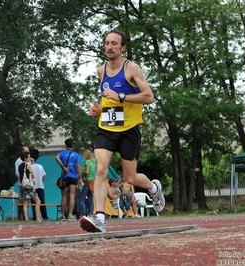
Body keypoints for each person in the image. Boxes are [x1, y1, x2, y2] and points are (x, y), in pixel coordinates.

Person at [80, 29, 165, 233]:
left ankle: (153, 188)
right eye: (107, 43)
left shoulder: (131, 69)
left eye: (114, 44)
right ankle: (99, 218)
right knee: (101, 169)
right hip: (106, 129)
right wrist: (99, 110)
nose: (109, 47)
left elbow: (149, 97)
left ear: (123, 47)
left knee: (130, 179)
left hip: (129, 130)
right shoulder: (101, 71)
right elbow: (107, 99)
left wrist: (121, 96)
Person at [56, 139, 83, 221]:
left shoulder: (61, 153)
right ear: (73, 145)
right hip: (74, 176)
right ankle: (70, 215)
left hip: (65, 176)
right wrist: (80, 178)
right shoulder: (76, 155)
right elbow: (78, 167)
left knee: (64, 196)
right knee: (72, 196)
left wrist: (63, 167)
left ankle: (62, 215)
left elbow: (56, 157)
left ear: (65, 145)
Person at [18, 151, 41, 221]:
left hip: (23, 185)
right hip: (29, 186)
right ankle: (38, 218)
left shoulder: (19, 166)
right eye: (28, 157)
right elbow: (33, 175)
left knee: (25, 202)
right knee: (38, 201)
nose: (29, 158)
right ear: (25, 158)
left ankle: (26, 218)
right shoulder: (27, 165)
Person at [79, 149, 96, 217]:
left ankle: (83, 214)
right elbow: (90, 171)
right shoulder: (93, 162)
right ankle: (90, 214)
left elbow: (87, 172)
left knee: (81, 200)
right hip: (92, 181)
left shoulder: (87, 162)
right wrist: (83, 169)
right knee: (90, 199)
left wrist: (80, 172)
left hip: (87, 182)